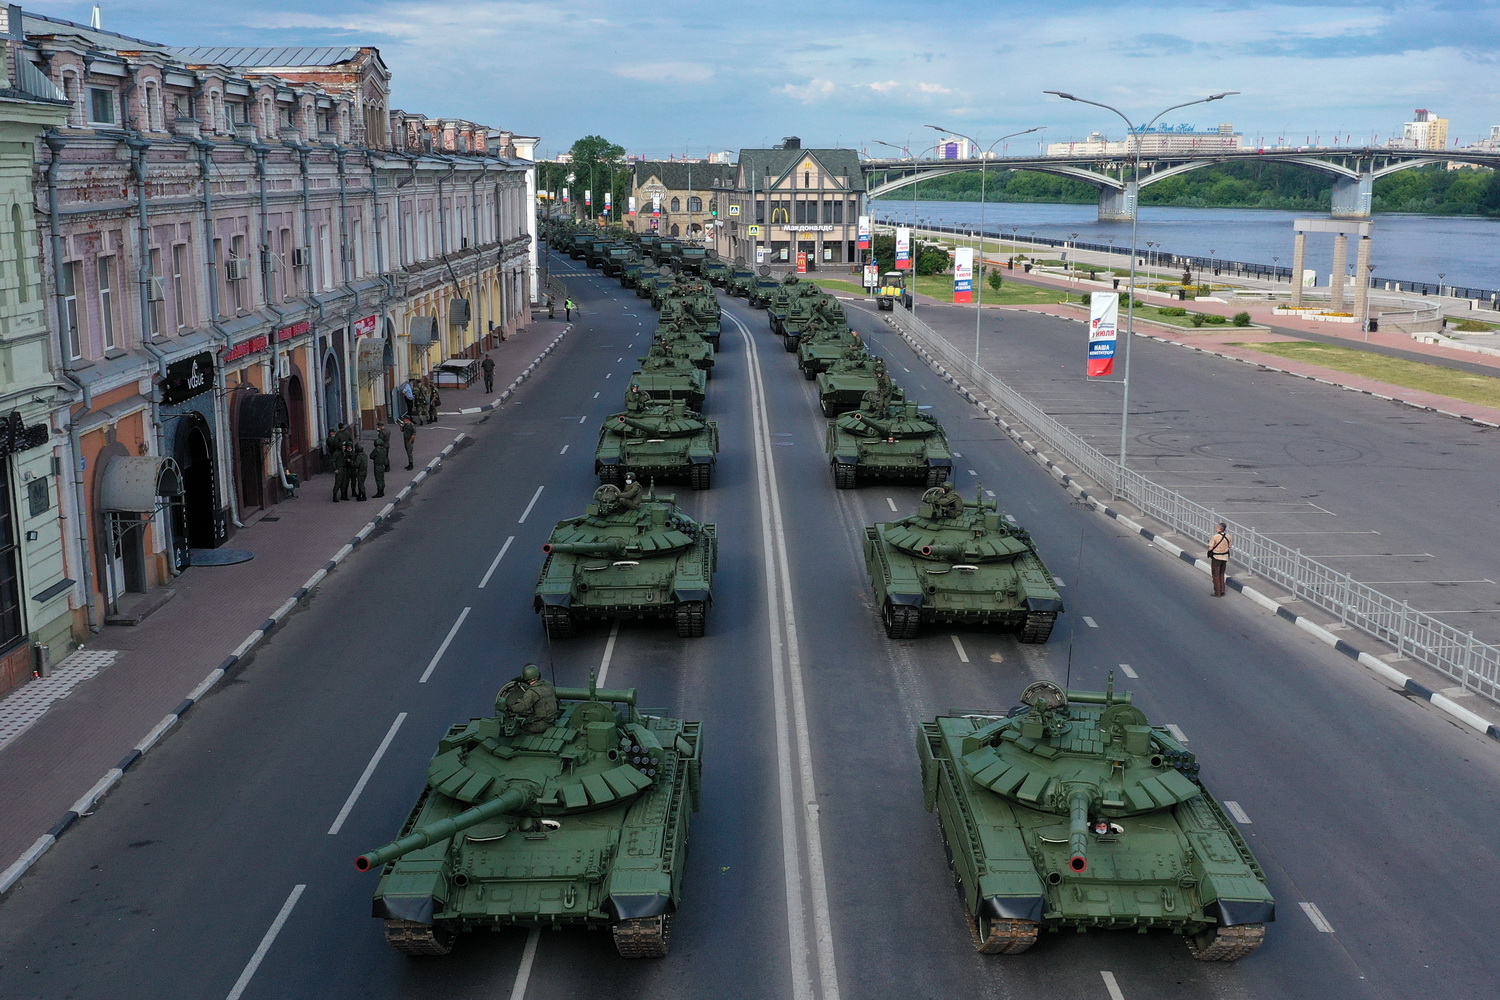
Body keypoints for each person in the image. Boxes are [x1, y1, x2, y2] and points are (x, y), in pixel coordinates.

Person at [499, 663, 558, 734]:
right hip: (552, 719)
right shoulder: (549, 684)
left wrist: (509, 708)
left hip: (541, 725)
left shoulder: (532, 692)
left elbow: (522, 706)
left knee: (521, 726)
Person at [1208, 522, 1231, 597]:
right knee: (1222, 573)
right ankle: (1222, 590)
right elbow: (1229, 546)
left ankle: (1217, 592)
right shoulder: (1228, 536)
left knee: (1216, 575)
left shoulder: (1215, 537)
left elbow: (1210, 548)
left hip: (1216, 558)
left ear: (1219, 528)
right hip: (1225, 557)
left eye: (1217, 527)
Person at [371, 426, 391, 498]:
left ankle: (379, 492)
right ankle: (382, 491)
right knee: (382, 478)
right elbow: (386, 459)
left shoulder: (376, 450)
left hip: (377, 466)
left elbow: (371, 456)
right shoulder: (384, 450)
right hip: (382, 465)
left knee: (378, 479)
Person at [330, 436, 349, 502]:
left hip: (344, 469)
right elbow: (333, 461)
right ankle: (334, 496)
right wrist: (335, 469)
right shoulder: (336, 453)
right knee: (338, 483)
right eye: (343, 446)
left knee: (344, 483)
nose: (344, 448)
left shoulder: (343, 453)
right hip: (339, 469)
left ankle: (343, 495)